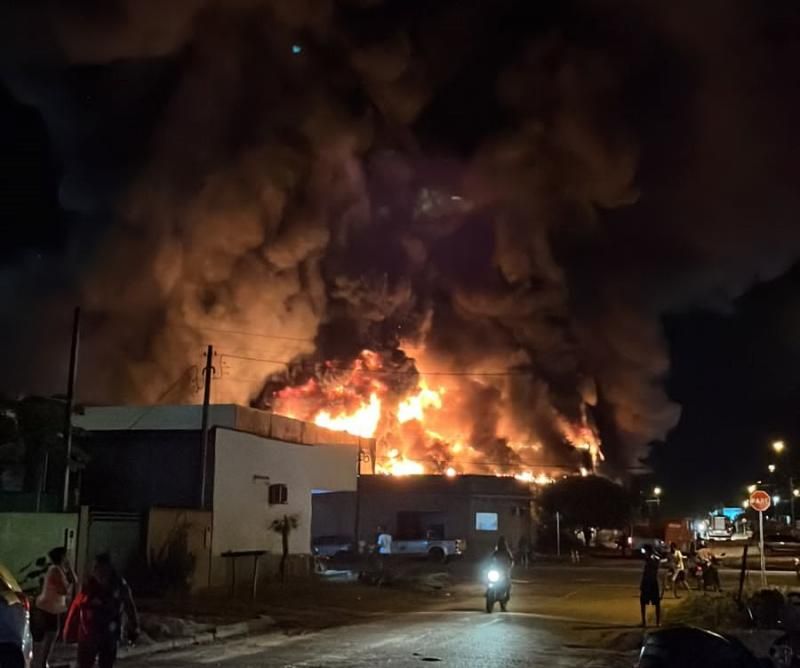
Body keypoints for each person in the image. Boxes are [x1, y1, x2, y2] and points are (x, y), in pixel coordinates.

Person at [75, 554, 139, 668]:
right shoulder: (89, 585)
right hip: (89, 633)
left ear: (108, 569)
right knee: (84, 664)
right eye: (95, 568)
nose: (97, 572)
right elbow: (79, 606)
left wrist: (134, 626)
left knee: (106, 663)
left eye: (99, 568)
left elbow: (129, 605)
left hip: (109, 633)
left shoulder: (119, 584)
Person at [33, 547, 76, 668]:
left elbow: (74, 581)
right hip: (48, 607)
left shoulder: (58, 570)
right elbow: (63, 590)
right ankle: (42, 662)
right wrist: (70, 578)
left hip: (52, 607)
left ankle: (42, 661)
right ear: (62, 557)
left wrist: (70, 571)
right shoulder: (55, 570)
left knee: (51, 634)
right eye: (66, 555)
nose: (68, 558)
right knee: (51, 634)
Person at [640, 544, 661, 628]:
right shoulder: (650, 558)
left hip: (652, 582)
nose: (644, 553)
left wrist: (652, 554)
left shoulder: (653, 559)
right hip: (646, 582)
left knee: (656, 603)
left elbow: (657, 562)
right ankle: (644, 622)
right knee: (643, 602)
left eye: (645, 551)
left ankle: (658, 622)